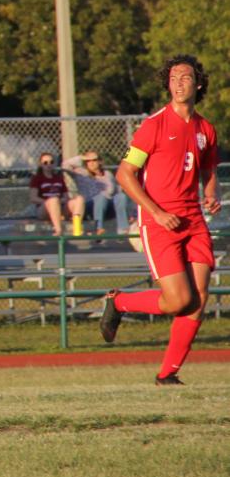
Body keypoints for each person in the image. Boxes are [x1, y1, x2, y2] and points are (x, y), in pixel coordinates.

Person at [101, 55, 221, 385]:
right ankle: (120, 302)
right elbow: (125, 175)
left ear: (198, 83)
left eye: (185, 77)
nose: (178, 82)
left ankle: (168, 375)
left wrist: (212, 193)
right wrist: (156, 212)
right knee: (178, 300)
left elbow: (209, 170)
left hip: (193, 219)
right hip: (159, 220)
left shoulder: (205, 129)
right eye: (173, 78)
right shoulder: (154, 125)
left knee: (198, 298)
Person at [64, 151, 123, 236]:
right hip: (90, 206)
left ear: (99, 161)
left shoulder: (107, 174)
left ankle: (122, 229)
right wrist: (82, 157)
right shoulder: (81, 173)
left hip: (107, 205)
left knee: (121, 196)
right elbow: (65, 165)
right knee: (100, 197)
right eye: (88, 161)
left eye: (94, 160)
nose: (91, 163)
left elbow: (115, 191)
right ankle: (98, 228)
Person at [29, 152, 69, 236]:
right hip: (43, 209)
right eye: (45, 163)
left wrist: (57, 202)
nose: (49, 165)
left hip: (59, 205)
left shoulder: (59, 178)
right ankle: (59, 231)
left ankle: (77, 229)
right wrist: (49, 202)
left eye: (51, 162)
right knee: (53, 200)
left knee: (79, 199)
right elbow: (33, 198)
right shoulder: (37, 178)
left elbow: (66, 197)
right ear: (40, 164)